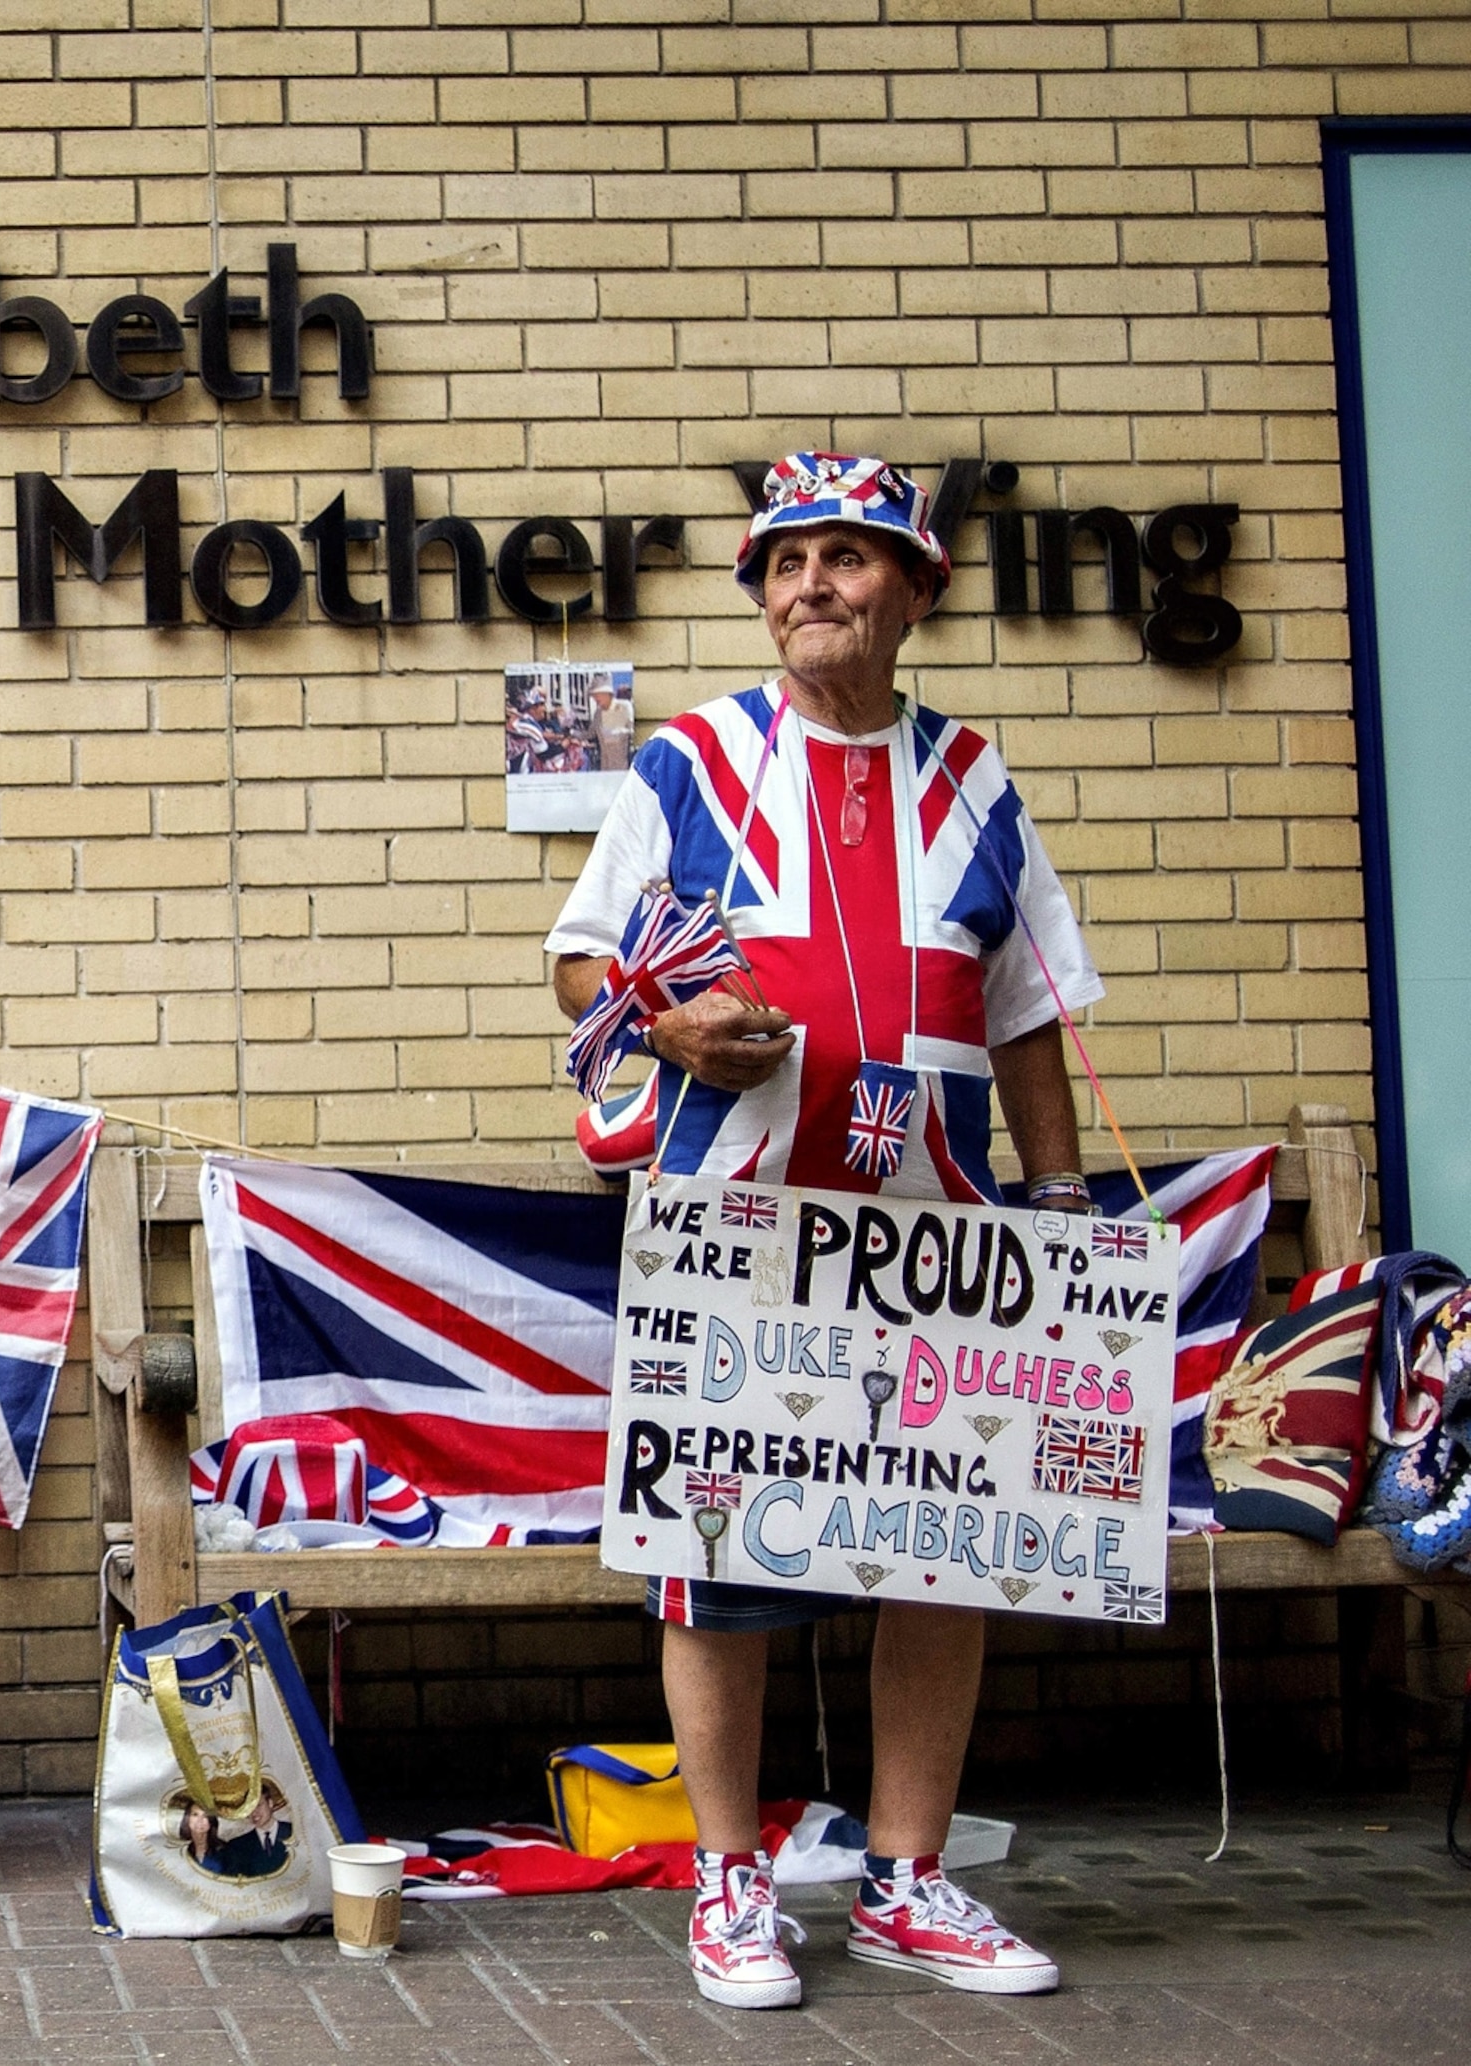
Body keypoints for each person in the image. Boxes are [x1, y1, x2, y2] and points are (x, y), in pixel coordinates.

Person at [545, 454, 1091, 2010]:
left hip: (942, 1232)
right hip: (736, 1225)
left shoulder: (977, 779)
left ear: (915, 590)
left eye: (850, 559)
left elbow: (1033, 1013)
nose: (811, 585)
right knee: (714, 1550)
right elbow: (581, 962)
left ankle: (911, 1878)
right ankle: (731, 1880)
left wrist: (1057, 1218)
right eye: (787, 561)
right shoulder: (691, 763)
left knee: (947, 1543)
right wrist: (663, 1023)